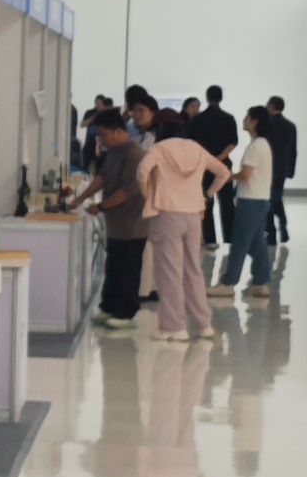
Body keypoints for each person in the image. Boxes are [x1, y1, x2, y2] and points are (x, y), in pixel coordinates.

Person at [136, 109, 223, 338]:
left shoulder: (158, 149)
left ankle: (174, 326)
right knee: (193, 270)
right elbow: (223, 173)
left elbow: (142, 172)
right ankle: (204, 325)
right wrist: (207, 194)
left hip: (167, 214)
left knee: (169, 271)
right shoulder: (196, 148)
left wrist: (147, 193)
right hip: (193, 216)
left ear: (160, 130)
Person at [87, 107, 147, 331]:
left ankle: (126, 313)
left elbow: (126, 192)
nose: (101, 140)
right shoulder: (114, 150)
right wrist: (80, 199)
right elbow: (102, 177)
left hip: (132, 225)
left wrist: (100, 206)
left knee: (128, 270)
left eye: (103, 135)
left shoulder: (135, 154)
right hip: (116, 225)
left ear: (117, 131)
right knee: (113, 268)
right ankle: (109, 307)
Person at [217, 106, 279, 299]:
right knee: (256, 243)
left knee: (240, 242)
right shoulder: (262, 144)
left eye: (247, 117)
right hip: (259, 200)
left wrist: (229, 176)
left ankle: (228, 284)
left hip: (250, 201)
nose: (244, 119)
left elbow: (245, 175)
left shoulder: (255, 146)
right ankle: (261, 282)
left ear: (255, 121)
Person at [259, 94, 299, 243]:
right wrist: (290, 170)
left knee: (267, 199)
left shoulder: (265, 125)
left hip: (266, 168)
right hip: (282, 169)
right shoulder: (290, 126)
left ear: (271, 106)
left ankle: (271, 233)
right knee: (275, 197)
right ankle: (282, 223)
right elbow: (293, 151)